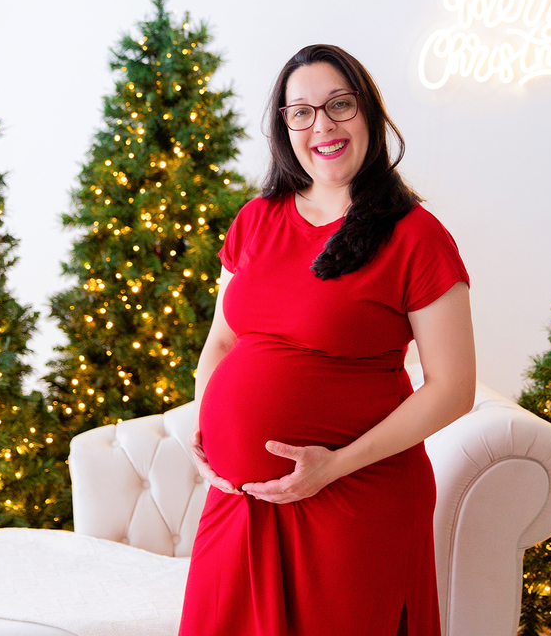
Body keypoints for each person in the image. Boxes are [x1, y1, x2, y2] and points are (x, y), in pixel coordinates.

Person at [178, 44, 476, 636]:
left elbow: (452, 389)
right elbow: (220, 342)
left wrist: (333, 466)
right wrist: (206, 423)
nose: (323, 126)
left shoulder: (417, 236)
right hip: (240, 502)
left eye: (339, 105)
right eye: (302, 112)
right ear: (284, 127)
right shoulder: (256, 219)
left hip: (353, 500)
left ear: (368, 112)